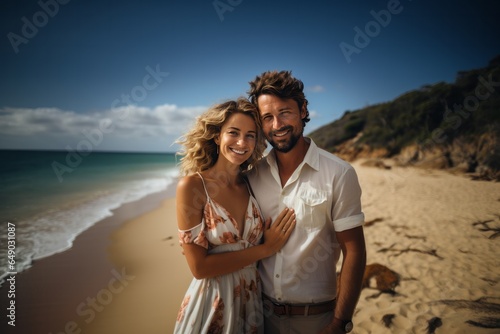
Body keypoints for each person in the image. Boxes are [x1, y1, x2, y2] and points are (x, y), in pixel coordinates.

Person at [247, 71, 366, 334]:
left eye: (285, 112)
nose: (277, 124)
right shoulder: (252, 176)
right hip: (259, 317)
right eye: (267, 117)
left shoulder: (339, 173)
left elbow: (354, 251)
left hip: (316, 320)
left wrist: (339, 322)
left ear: (302, 109)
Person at [174, 98, 296, 334]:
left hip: (251, 303)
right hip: (211, 303)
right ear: (218, 136)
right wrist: (265, 249)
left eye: (250, 135)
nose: (242, 142)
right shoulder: (192, 187)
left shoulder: (252, 183)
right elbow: (199, 267)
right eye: (234, 132)